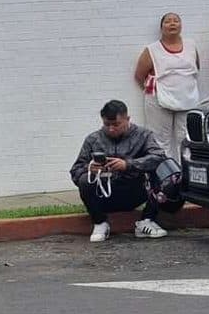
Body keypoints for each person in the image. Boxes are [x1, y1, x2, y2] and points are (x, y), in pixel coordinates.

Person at [70, 100, 174, 243]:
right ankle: (100, 223)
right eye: (107, 124)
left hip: (135, 189)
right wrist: (89, 168)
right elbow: (75, 170)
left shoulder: (143, 135)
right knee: (84, 180)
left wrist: (128, 164)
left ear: (127, 119)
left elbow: (159, 157)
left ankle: (147, 220)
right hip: (104, 194)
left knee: (164, 171)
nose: (111, 129)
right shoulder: (93, 139)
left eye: (116, 124)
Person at [132, 12, 198, 160]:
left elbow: (196, 69)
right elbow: (139, 75)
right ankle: (165, 172)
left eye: (176, 20)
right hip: (159, 99)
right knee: (160, 139)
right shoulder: (152, 49)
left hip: (188, 98)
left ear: (181, 25)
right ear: (161, 27)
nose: (172, 23)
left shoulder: (191, 45)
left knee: (186, 138)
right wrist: (158, 90)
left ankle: (185, 170)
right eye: (168, 21)